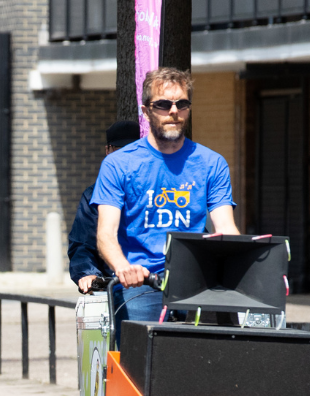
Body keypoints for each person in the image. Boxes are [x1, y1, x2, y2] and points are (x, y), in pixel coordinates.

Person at [92, 66, 239, 343]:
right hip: (140, 281)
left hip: (196, 280)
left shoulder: (212, 163)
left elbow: (226, 229)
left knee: (212, 357)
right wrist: (124, 267)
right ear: (146, 111)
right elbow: (105, 234)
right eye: (162, 104)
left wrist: (242, 263)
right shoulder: (119, 164)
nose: (174, 111)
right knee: (138, 361)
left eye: (182, 104)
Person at [68, 121, 139, 293]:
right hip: (113, 281)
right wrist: (88, 273)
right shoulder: (93, 194)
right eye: (120, 150)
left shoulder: (156, 190)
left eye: (133, 150)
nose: (126, 157)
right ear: (108, 151)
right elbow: (82, 242)